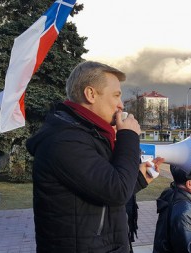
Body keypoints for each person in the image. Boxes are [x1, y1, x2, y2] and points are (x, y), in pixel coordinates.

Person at [26, 61, 161, 252]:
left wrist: (138, 178)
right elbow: (116, 191)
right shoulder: (65, 141)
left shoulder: (87, 135)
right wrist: (128, 136)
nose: (121, 105)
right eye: (116, 95)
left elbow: (101, 192)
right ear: (90, 94)